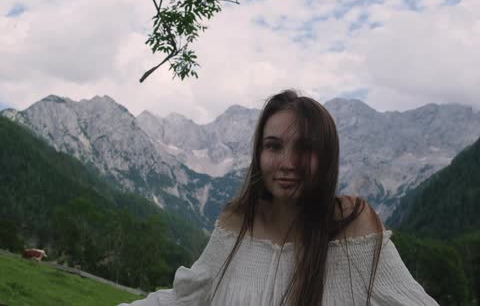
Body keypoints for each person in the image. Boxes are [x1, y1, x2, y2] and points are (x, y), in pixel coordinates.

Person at [121, 90, 438, 305]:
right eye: (273, 146)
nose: (288, 163)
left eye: (305, 148)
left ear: (326, 156)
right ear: (259, 153)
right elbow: (185, 299)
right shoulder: (237, 220)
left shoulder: (353, 223)